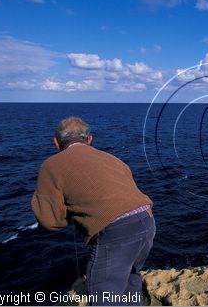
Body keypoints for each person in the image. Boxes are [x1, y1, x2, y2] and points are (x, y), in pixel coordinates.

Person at [31, 117, 155, 306]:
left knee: (104, 296)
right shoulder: (113, 158)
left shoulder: (51, 165)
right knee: (131, 277)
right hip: (147, 221)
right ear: (89, 139)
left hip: (117, 232)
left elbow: (50, 221)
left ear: (56, 142)